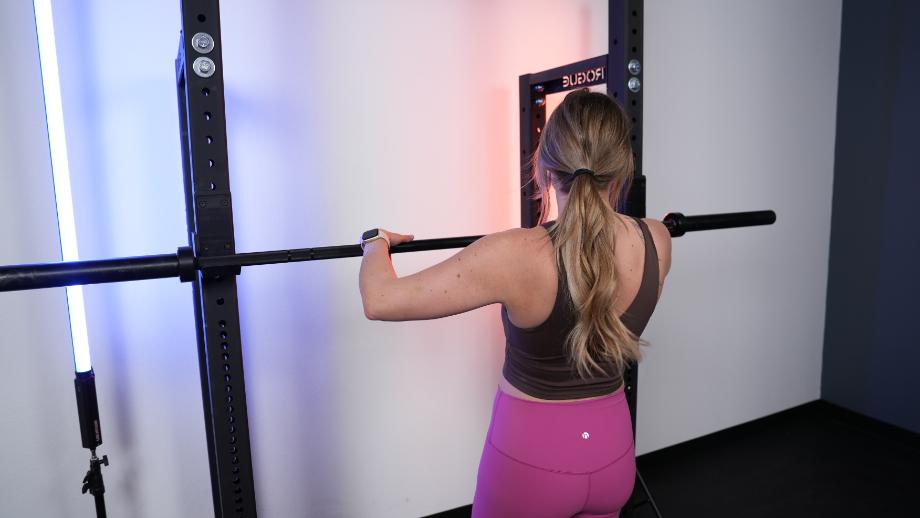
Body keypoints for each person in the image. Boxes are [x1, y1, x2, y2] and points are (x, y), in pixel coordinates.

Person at [358, 89, 672, 518]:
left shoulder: (514, 255)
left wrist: (375, 244)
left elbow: (379, 300)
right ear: (622, 169)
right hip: (613, 455)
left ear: (544, 167)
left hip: (532, 464)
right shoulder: (657, 240)